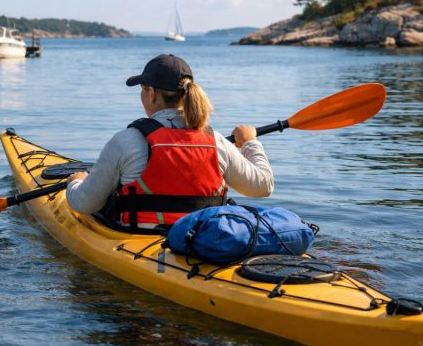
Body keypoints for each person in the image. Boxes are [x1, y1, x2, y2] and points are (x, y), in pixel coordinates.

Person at [65, 54, 274, 231]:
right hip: (203, 240)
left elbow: (84, 203)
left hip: (139, 239)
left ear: (151, 93)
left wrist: (76, 182)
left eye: (142, 89)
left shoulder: (126, 141)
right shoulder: (216, 141)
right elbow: (263, 187)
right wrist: (250, 142)